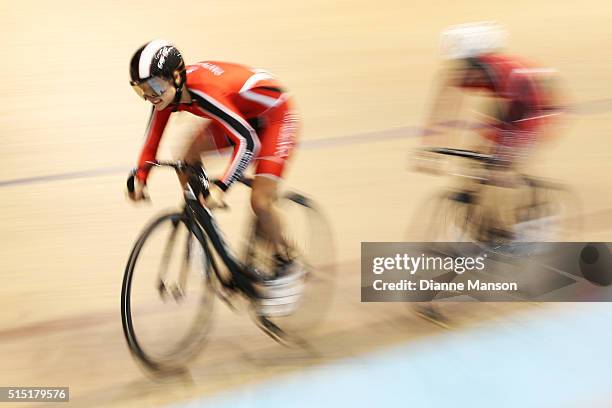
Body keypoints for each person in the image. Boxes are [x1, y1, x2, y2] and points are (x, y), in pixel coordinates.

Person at [126, 39, 303, 316]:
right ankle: (201, 225)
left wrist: (222, 186)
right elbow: (152, 140)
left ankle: (288, 264)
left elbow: (247, 141)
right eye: (142, 90)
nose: (151, 96)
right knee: (187, 156)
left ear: (176, 77)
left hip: (275, 118)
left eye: (155, 87)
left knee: (261, 202)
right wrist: (141, 175)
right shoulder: (167, 96)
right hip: (239, 113)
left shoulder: (205, 92)